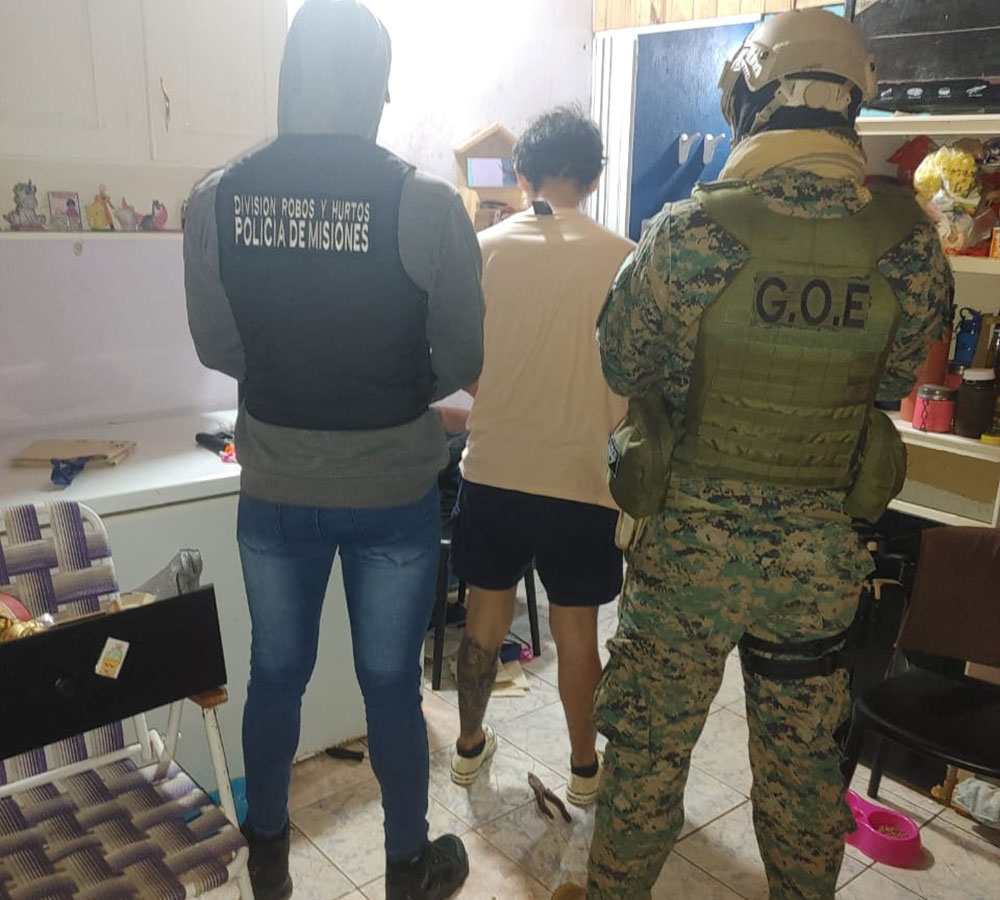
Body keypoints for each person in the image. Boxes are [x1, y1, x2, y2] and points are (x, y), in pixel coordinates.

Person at [555, 10, 952, 899]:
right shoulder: (909, 244)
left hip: (686, 557)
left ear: (750, 95)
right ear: (851, 101)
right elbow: (895, 379)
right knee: (804, 779)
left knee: (646, 764)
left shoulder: (690, 233)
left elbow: (623, 363)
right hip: (817, 562)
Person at [183, 2, 484, 898]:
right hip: (391, 490)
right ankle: (406, 868)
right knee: (390, 685)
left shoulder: (216, 199)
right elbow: (462, 359)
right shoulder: (426, 204)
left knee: (275, 675)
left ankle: (269, 863)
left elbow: (218, 346)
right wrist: (386, 383)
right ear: (374, 88)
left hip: (276, 485)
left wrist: (294, 375)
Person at [449, 109, 634, 805]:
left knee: (483, 618)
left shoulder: (484, 249)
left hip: (495, 468)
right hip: (582, 475)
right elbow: (638, 374)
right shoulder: (625, 257)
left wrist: (500, 390)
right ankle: (584, 770)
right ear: (593, 178)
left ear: (521, 173)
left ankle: (469, 749)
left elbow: (463, 364)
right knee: (576, 628)